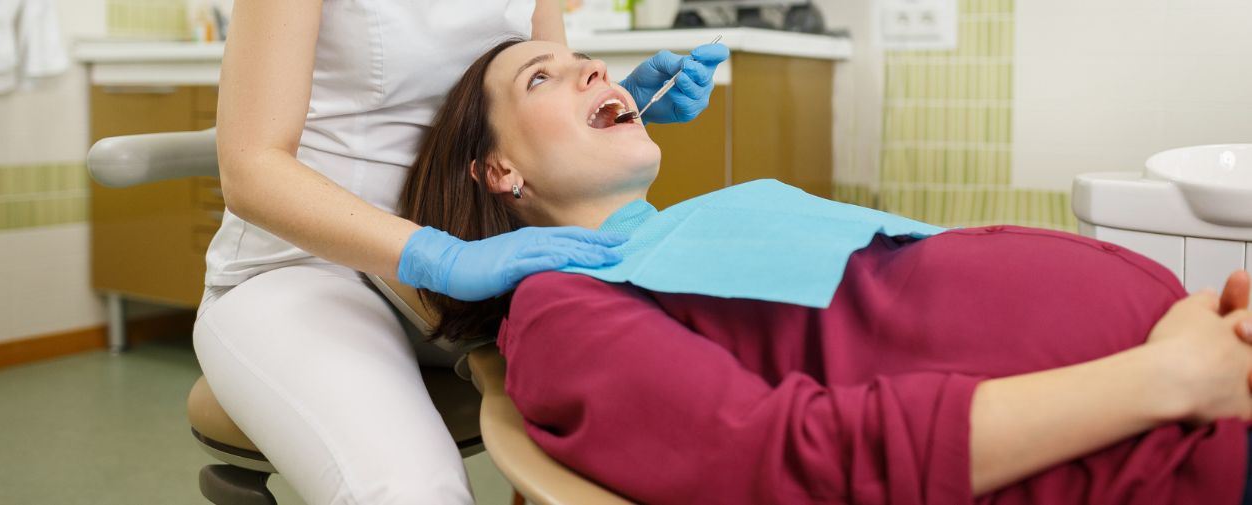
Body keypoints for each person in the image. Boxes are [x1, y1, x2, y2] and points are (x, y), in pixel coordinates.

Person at [401, 38, 1252, 504]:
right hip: (1174, 450)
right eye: (539, 77)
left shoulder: (689, 234)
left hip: (1203, 376)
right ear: (498, 173)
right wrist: (1164, 376)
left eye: (584, 55)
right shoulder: (561, 306)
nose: (592, 65)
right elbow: (783, 458)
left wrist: (1191, 334)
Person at [190, 2, 728, 503]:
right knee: (409, 489)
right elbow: (251, 168)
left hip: (485, 257)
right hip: (308, 265)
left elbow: (534, 101)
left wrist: (607, 117)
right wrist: (441, 258)